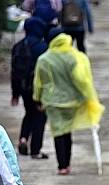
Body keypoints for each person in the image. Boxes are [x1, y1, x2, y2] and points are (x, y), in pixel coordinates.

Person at [33, 30, 104, 175]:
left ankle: (62, 165)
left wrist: (37, 98)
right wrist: (89, 97)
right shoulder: (74, 57)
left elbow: (38, 82)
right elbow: (81, 80)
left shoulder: (44, 59)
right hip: (72, 101)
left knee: (58, 132)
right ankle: (68, 164)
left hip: (52, 102)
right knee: (67, 132)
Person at [11, 16, 49, 159]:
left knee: (29, 113)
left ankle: (23, 138)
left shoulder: (17, 47)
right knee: (40, 117)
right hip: (37, 90)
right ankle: (35, 150)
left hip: (22, 89)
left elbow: (13, 72)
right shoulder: (42, 48)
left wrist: (15, 94)